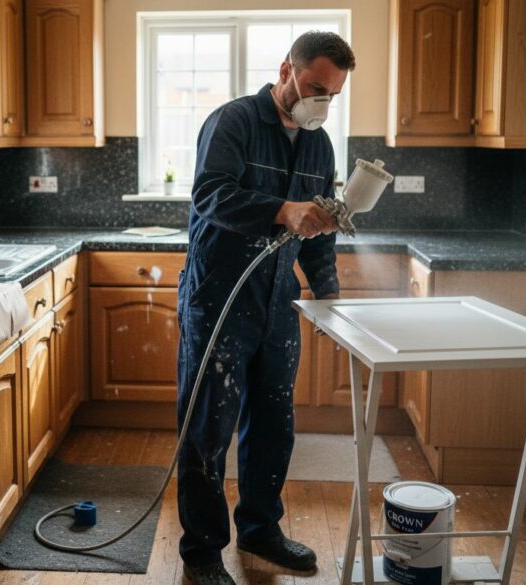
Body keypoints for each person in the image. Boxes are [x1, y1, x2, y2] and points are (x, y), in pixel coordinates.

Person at [176, 31, 356, 585]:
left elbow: (319, 226)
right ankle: (203, 552)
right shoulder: (233, 122)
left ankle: (260, 530)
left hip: (279, 302)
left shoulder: (319, 144)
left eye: (332, 94)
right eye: (315, 88)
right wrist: (282, 209)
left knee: (274, 423)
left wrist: (327, 292)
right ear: (286, 71)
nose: (321, 102)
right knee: (208, 428)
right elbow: (209, 193)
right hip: (220, 299)